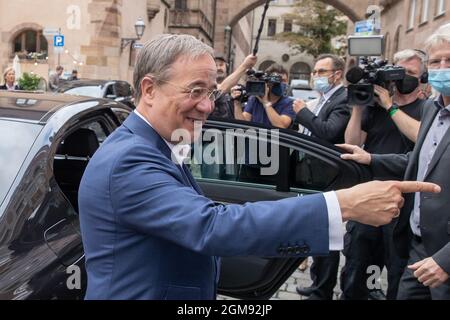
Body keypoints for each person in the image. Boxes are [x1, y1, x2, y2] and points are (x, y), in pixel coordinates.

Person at [78, 34, 439, 300]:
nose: (206, 106)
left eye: (212, 93)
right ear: (149, 89)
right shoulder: (130, 159)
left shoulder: (156, 142)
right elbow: (211, 226)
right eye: (195, 91)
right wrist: (343, 205)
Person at [339, 23, 450, 300]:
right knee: (360, 271)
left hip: (427, 230)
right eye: (436, 60)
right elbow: (355, 142)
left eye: (410, 74)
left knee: (391, 280)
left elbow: (420, 147)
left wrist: (390, 107)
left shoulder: (424, 109)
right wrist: (359, 107)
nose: (442, 67)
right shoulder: (433, 110)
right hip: (390, 214)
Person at [293, 54, 350, 300]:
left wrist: (303, 112)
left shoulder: (343, 98)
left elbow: (329, 132)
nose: (316, 76)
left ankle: (322, 289)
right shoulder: (324, 97)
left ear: (336, 74)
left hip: (328, 173)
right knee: (318, 229)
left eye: (321, 71)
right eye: (315, 72)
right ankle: (318, 282)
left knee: (327, 231)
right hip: (311, 171)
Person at [234, 63, 295, 129]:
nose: (280, 84)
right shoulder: (255, 99)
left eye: (284, 81)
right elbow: (243, 123)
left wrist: (266, 103)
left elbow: (281, 125)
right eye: (277, 80)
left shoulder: (289, 103)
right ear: (267, 82)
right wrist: (237, 103)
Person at [208, 53, 257, 119]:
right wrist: (245, 66)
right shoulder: (206, 88)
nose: (219, 68)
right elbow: (220, 91)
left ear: (227, 67)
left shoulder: (239, 89)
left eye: (221, 65)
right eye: (215, 65)